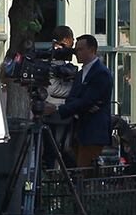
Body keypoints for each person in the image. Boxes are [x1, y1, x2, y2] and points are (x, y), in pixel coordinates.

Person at [48, 33, 112, 169]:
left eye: (81, 49)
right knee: (77, 169)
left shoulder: (101, 73)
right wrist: (82, 105)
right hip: (78, 131)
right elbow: (73, 98)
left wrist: (61, 108)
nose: (77, 53)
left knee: (84, 172)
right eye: (76, 49)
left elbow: (88, 100)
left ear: (92, 50)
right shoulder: (80, 73)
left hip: (93, 132)